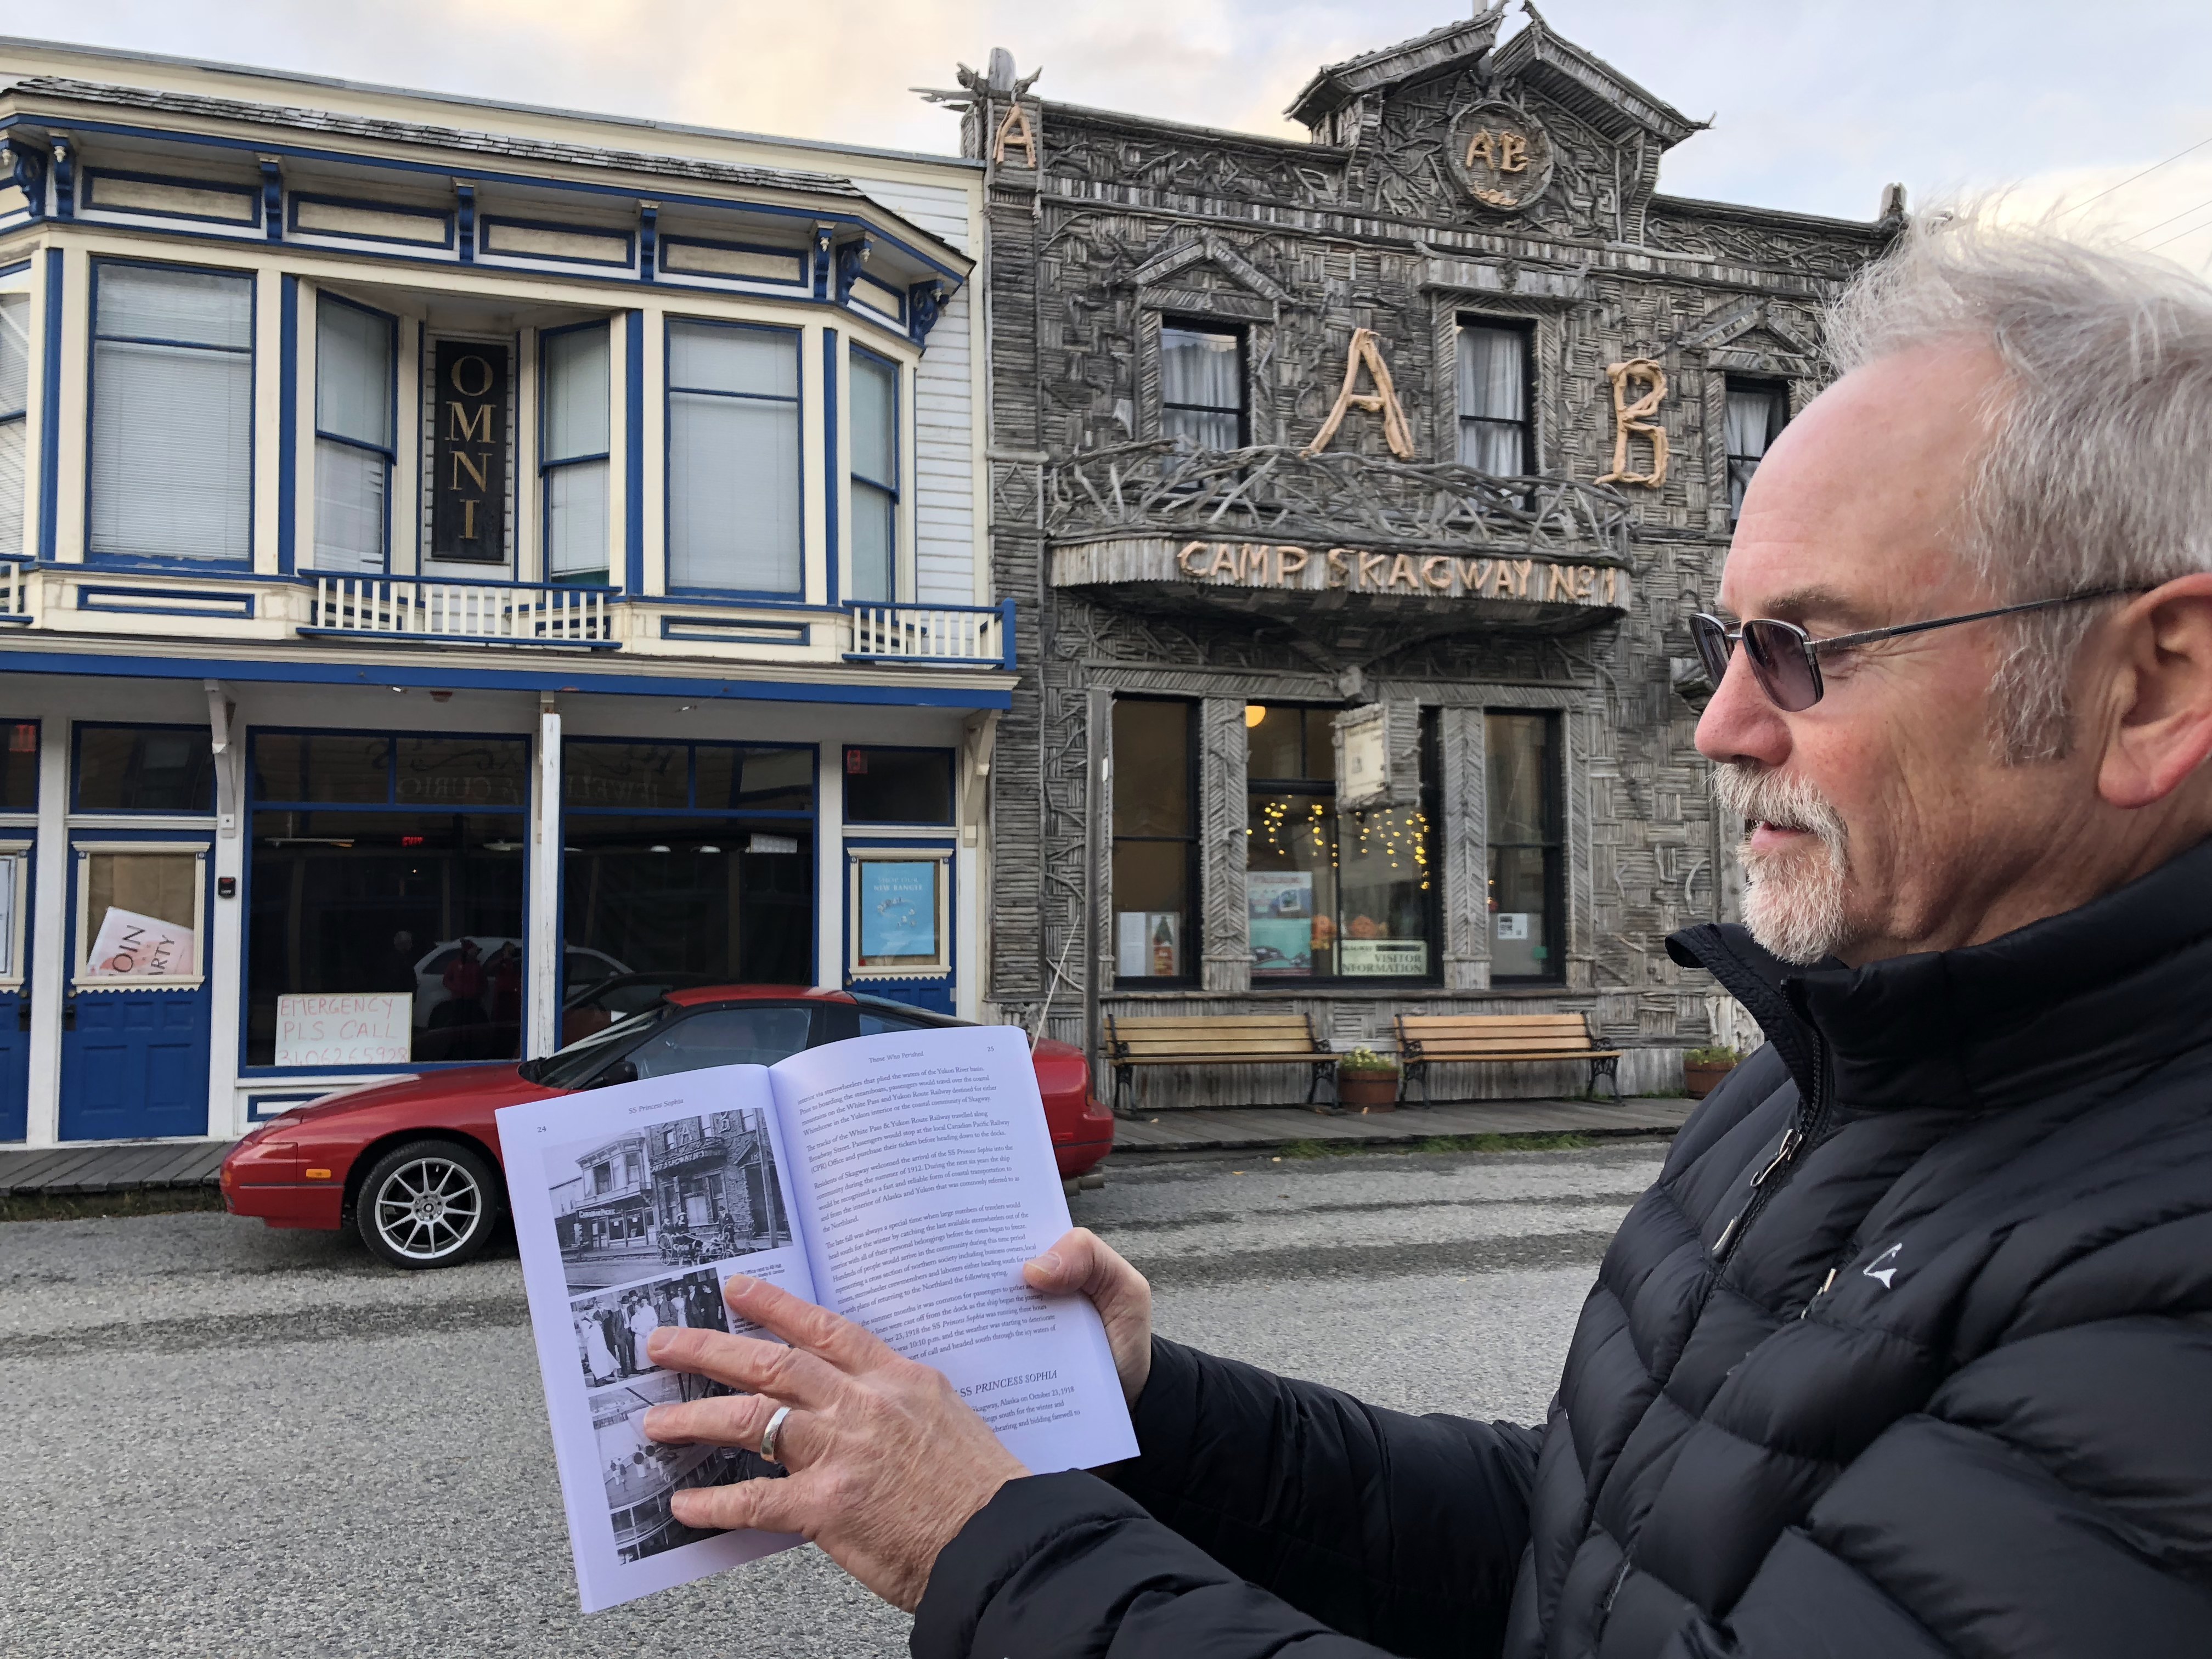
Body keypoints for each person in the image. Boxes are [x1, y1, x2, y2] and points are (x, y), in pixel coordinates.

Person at [636, 213, 2212, 1655]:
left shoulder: (2164, 1288)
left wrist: (984, 1547)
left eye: (1804, 649)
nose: (1722, 725)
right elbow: (1592, 1553)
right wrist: (1139, 1405)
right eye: (1731, 642)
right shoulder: (1810, 1090)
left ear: (2153, 686)